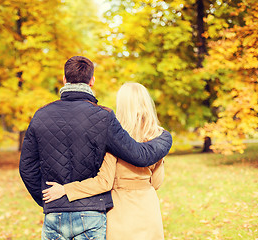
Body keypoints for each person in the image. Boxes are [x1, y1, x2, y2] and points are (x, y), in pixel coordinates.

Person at [19, 56, 172, 240]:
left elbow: (26, 167)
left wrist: (50, 200)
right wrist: (164, 138)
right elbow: (141, 158)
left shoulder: (40, 115)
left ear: (64, 79)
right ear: (92, 80)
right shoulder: (104, 118)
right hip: (96, 212)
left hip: (57, 211)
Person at [43, 82, 167, 240]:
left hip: (121, 210)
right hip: (148, 208)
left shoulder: (115, 137)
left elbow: (104, 182)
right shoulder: (157, 137)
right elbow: (156, 183)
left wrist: (66, 189)